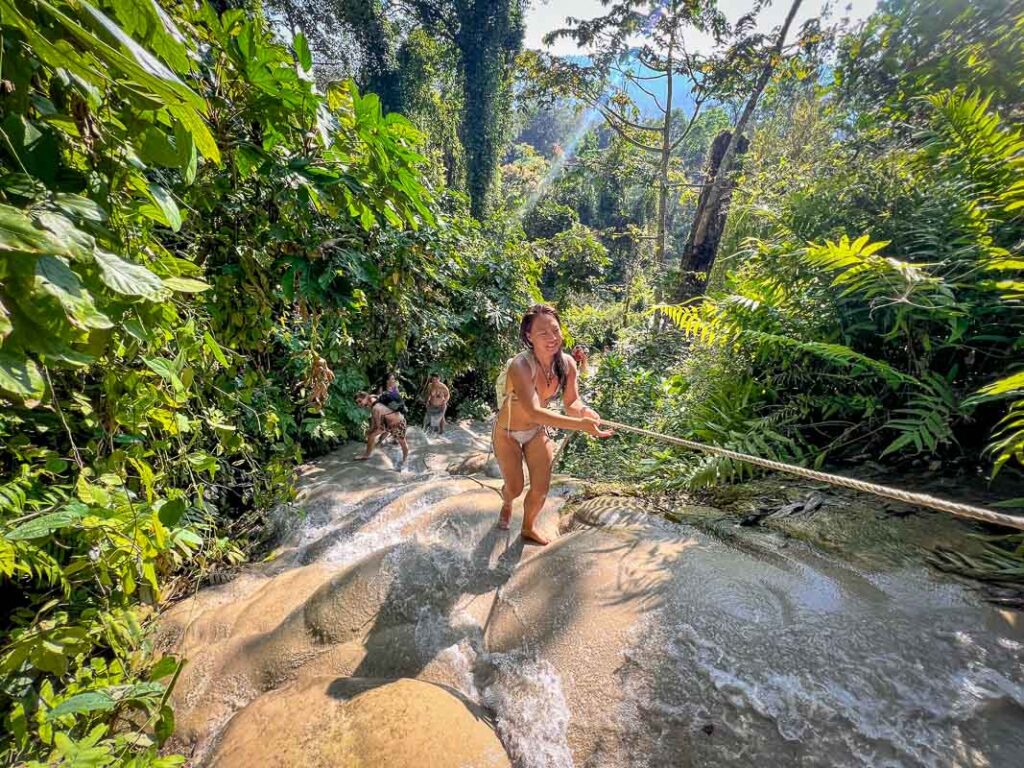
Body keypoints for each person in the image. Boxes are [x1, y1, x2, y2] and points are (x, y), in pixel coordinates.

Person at [493, 304, 613, 544]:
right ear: (529, 337)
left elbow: (572, 402)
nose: (552, 338)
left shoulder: (567, 363)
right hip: (508, 433)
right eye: (543, 333)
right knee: (515, 488)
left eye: (555, 331)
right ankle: (507, 500)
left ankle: (527, 528)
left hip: (536, 432)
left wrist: (586, 412)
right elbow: (535, 411)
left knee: (541, 488)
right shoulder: (520, 366)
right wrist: (581, 426)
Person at [354, 391, 409, 468]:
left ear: (366, 397)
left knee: (402, 442)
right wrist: (370, 431)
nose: (359, 404)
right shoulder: (373, 398)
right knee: (371, 435)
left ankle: (405, 460)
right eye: (357, 403)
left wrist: (371, 431)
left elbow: (378, 426)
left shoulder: (376, 408)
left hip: (397, 424)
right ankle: (367, 454)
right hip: (387, 423)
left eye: (360, 401)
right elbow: (374, 419)